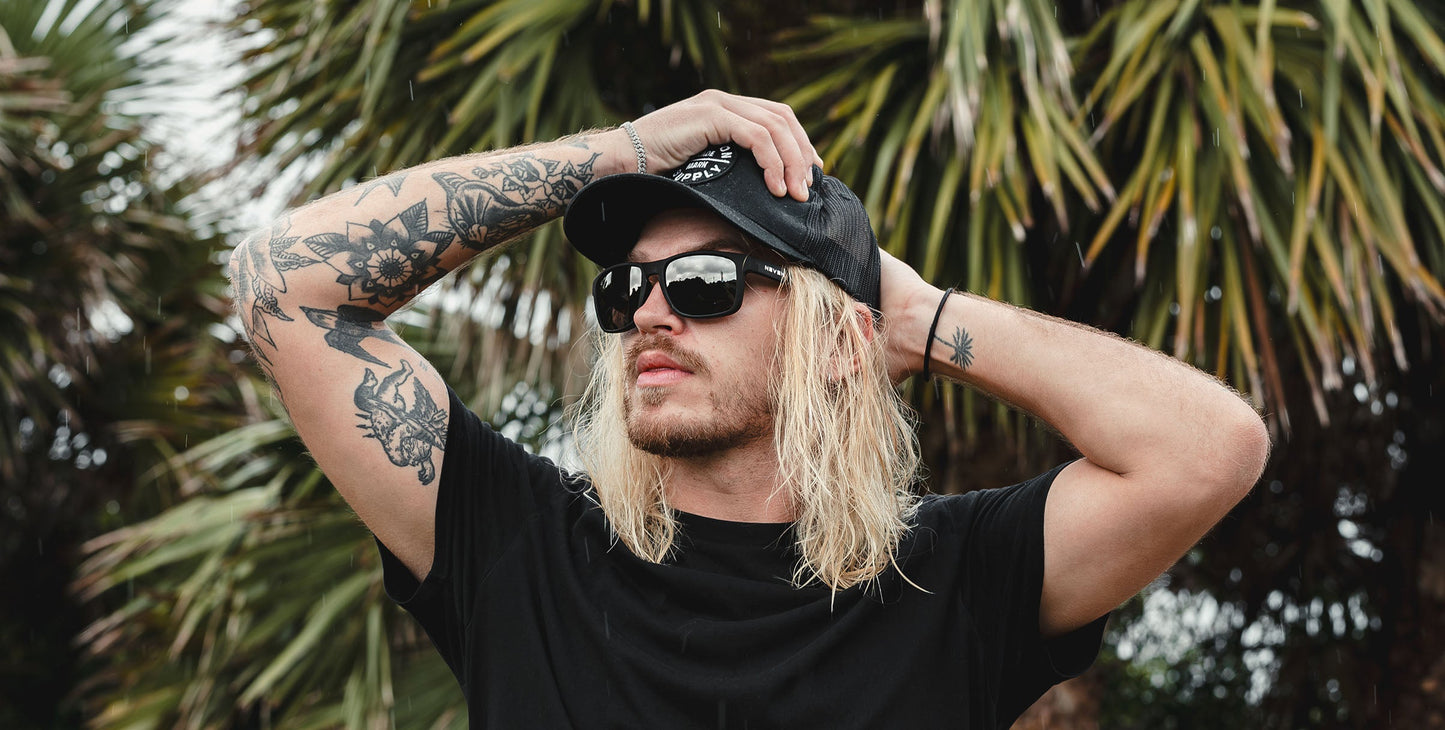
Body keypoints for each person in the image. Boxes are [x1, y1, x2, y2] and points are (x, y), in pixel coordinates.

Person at [227, 90, 1271, 728]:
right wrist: (623, 151)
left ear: (836, 341)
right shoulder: (520, 547)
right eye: (624, 287)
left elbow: (1206, 447)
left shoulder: (950, 579)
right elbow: (283, 280)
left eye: (706, 283)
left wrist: (918, 319)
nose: (649, 313)